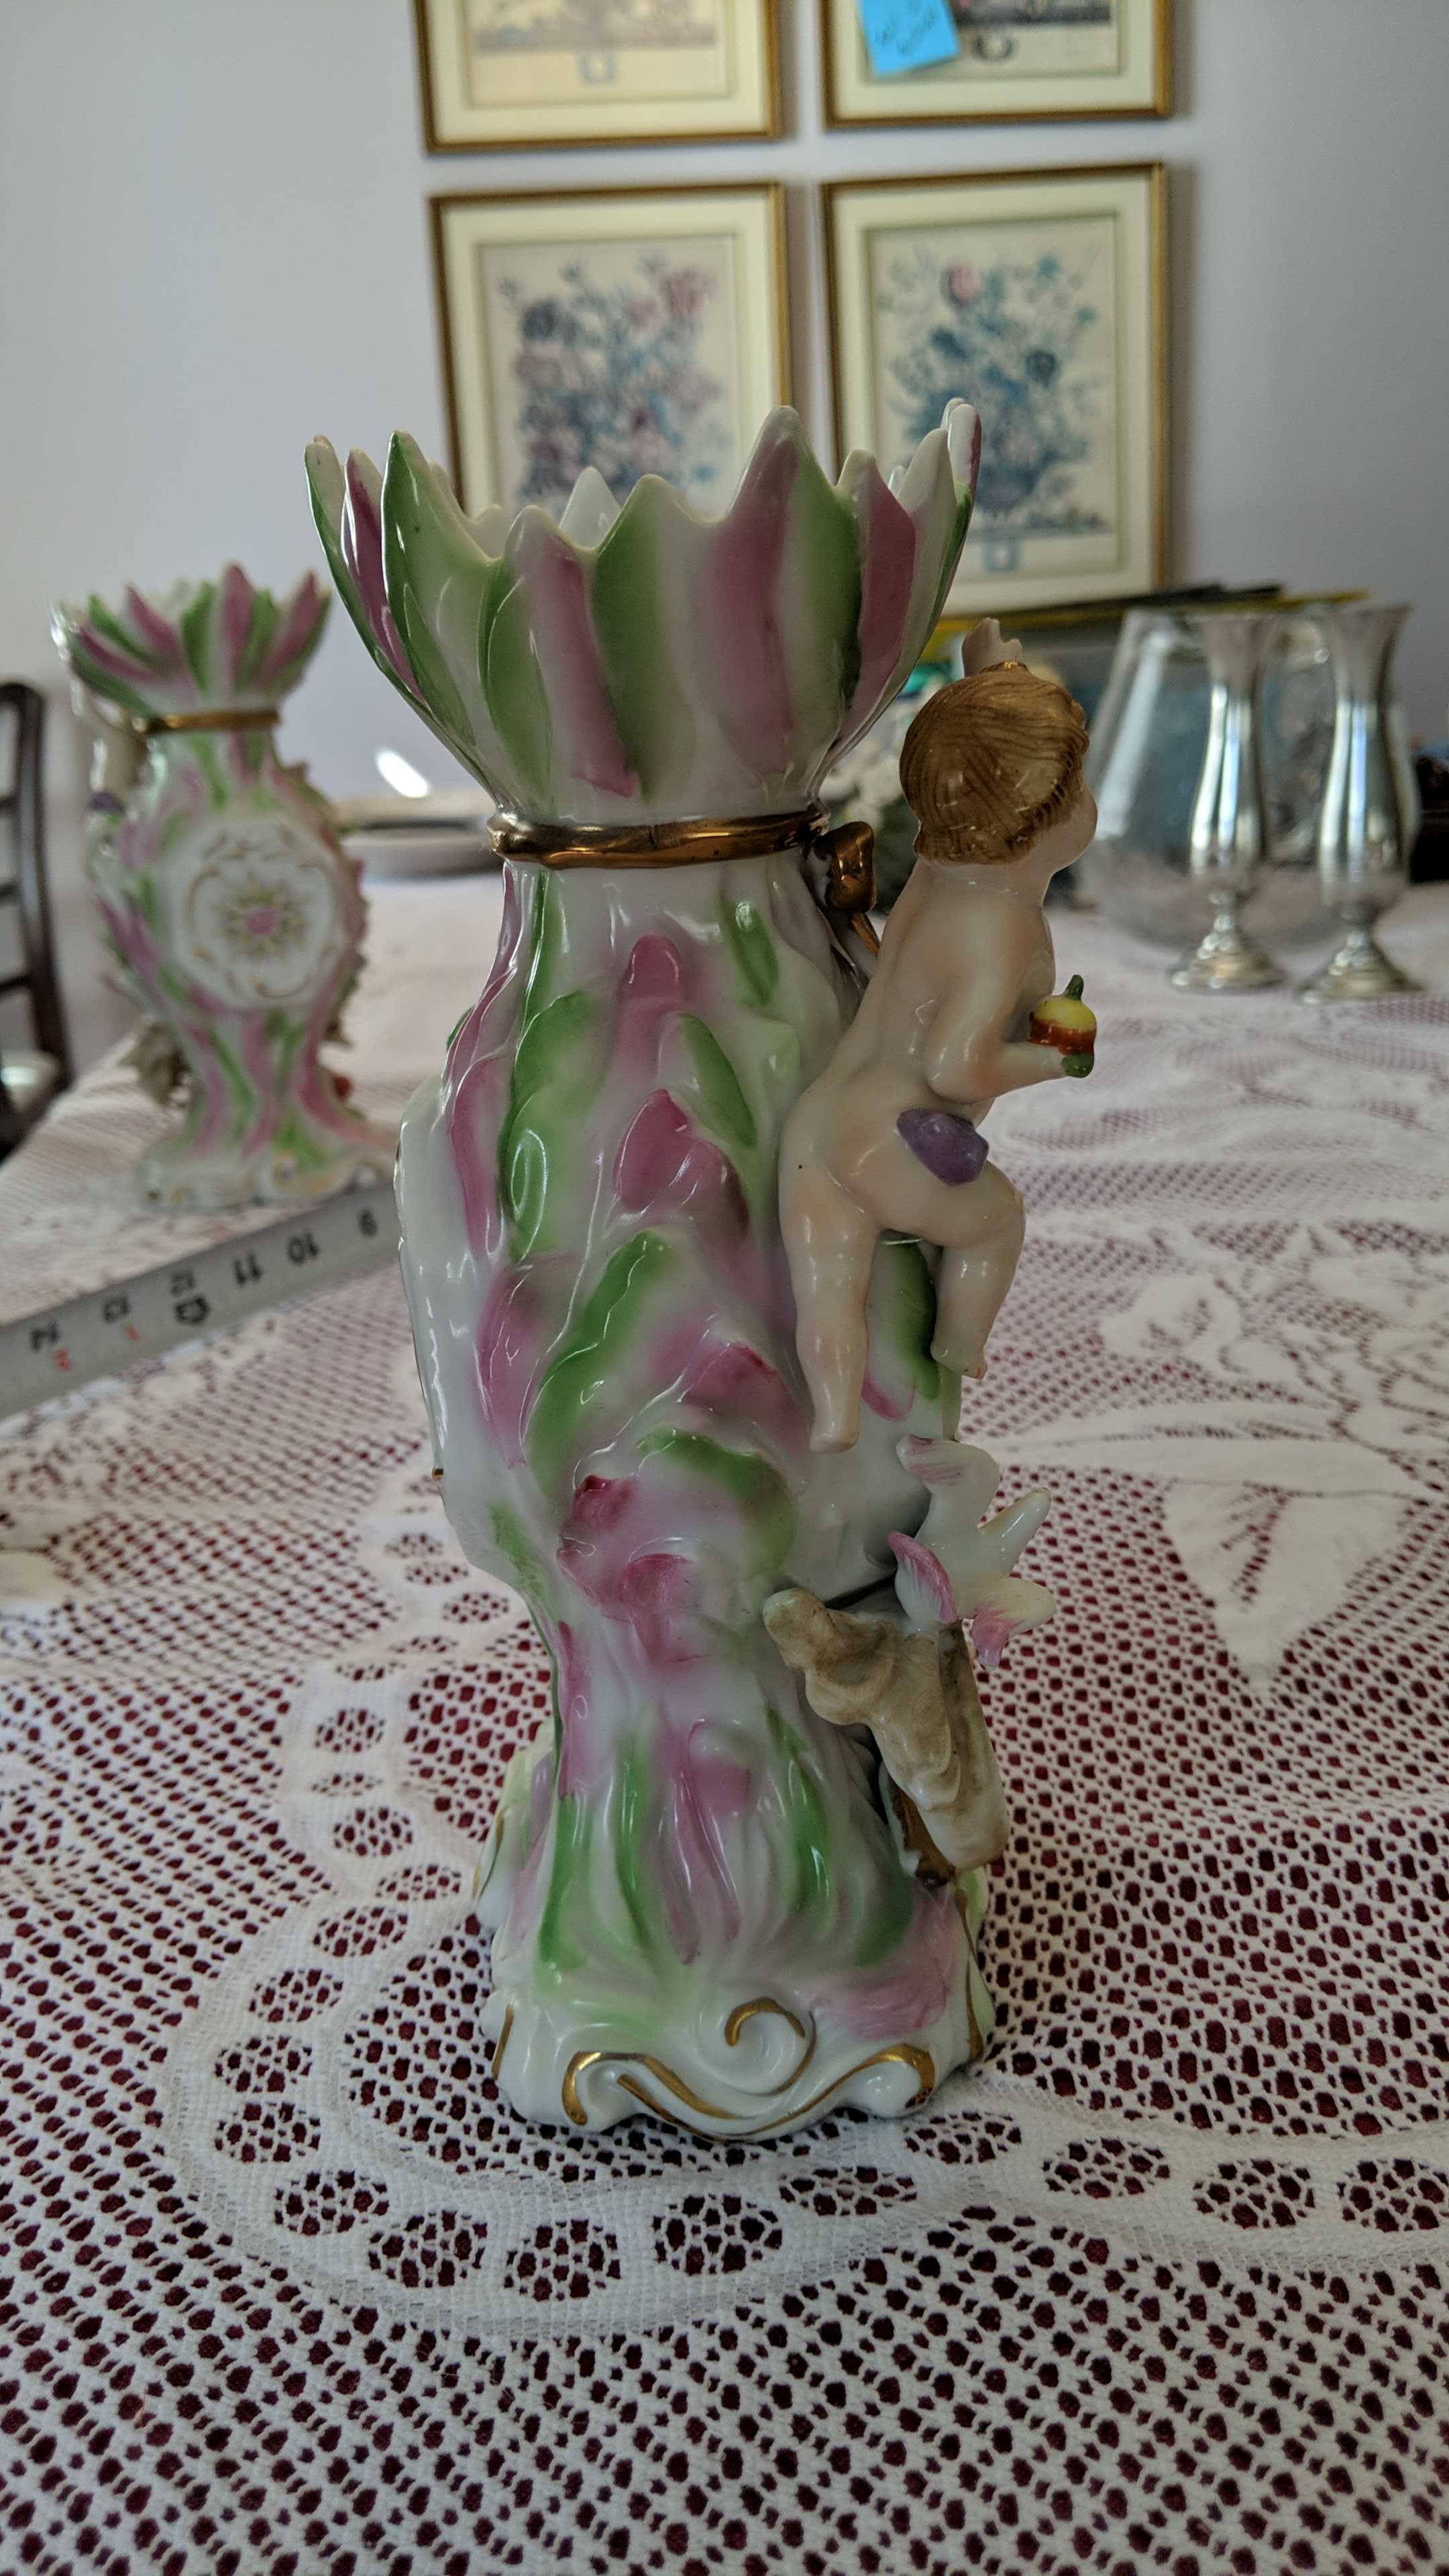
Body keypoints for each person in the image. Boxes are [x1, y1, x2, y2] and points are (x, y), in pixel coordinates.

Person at [781, 653, 1095, 1452]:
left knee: (828, 1289)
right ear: (1043, 815)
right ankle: (960, 1347)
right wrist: (1048, 1061)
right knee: (994, 1223)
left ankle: (834, 1419)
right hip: (896, 1139)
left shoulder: (934, 871)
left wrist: (986, 685)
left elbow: (970, 763)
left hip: (824, 1120)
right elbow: (956, 1067)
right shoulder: (1003, 925)